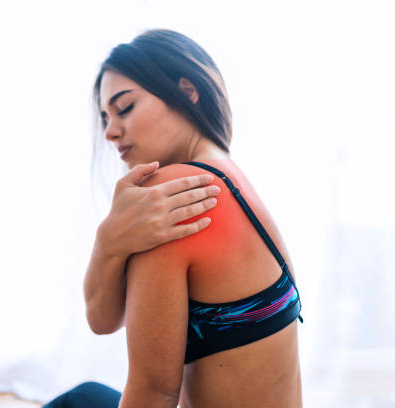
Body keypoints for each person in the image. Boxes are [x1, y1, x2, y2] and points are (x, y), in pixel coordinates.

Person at [44, 28, 303, 408]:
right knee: (83, 397)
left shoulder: (176, 193)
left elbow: (154, 393)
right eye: (105, 117)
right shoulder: (229, 176)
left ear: (187, 91)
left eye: (125, 107)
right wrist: (108, 241)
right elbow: (101, 320)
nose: (111, 132)